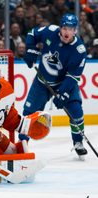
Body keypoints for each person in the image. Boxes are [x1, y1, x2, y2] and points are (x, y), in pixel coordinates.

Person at [22, 13, 88, 160]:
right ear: (60, 27)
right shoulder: (50, 31)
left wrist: (63, 93)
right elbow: (32, 34)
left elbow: (72, 77)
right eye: (65, 28)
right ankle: (22, 143)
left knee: (76, 110)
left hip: (63, 83)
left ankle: (78, 142)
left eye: (70, 29)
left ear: (75, 31)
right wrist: (31, 50)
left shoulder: (79, 50)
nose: (67, 32)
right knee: (28, 113)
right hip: (42, 81)